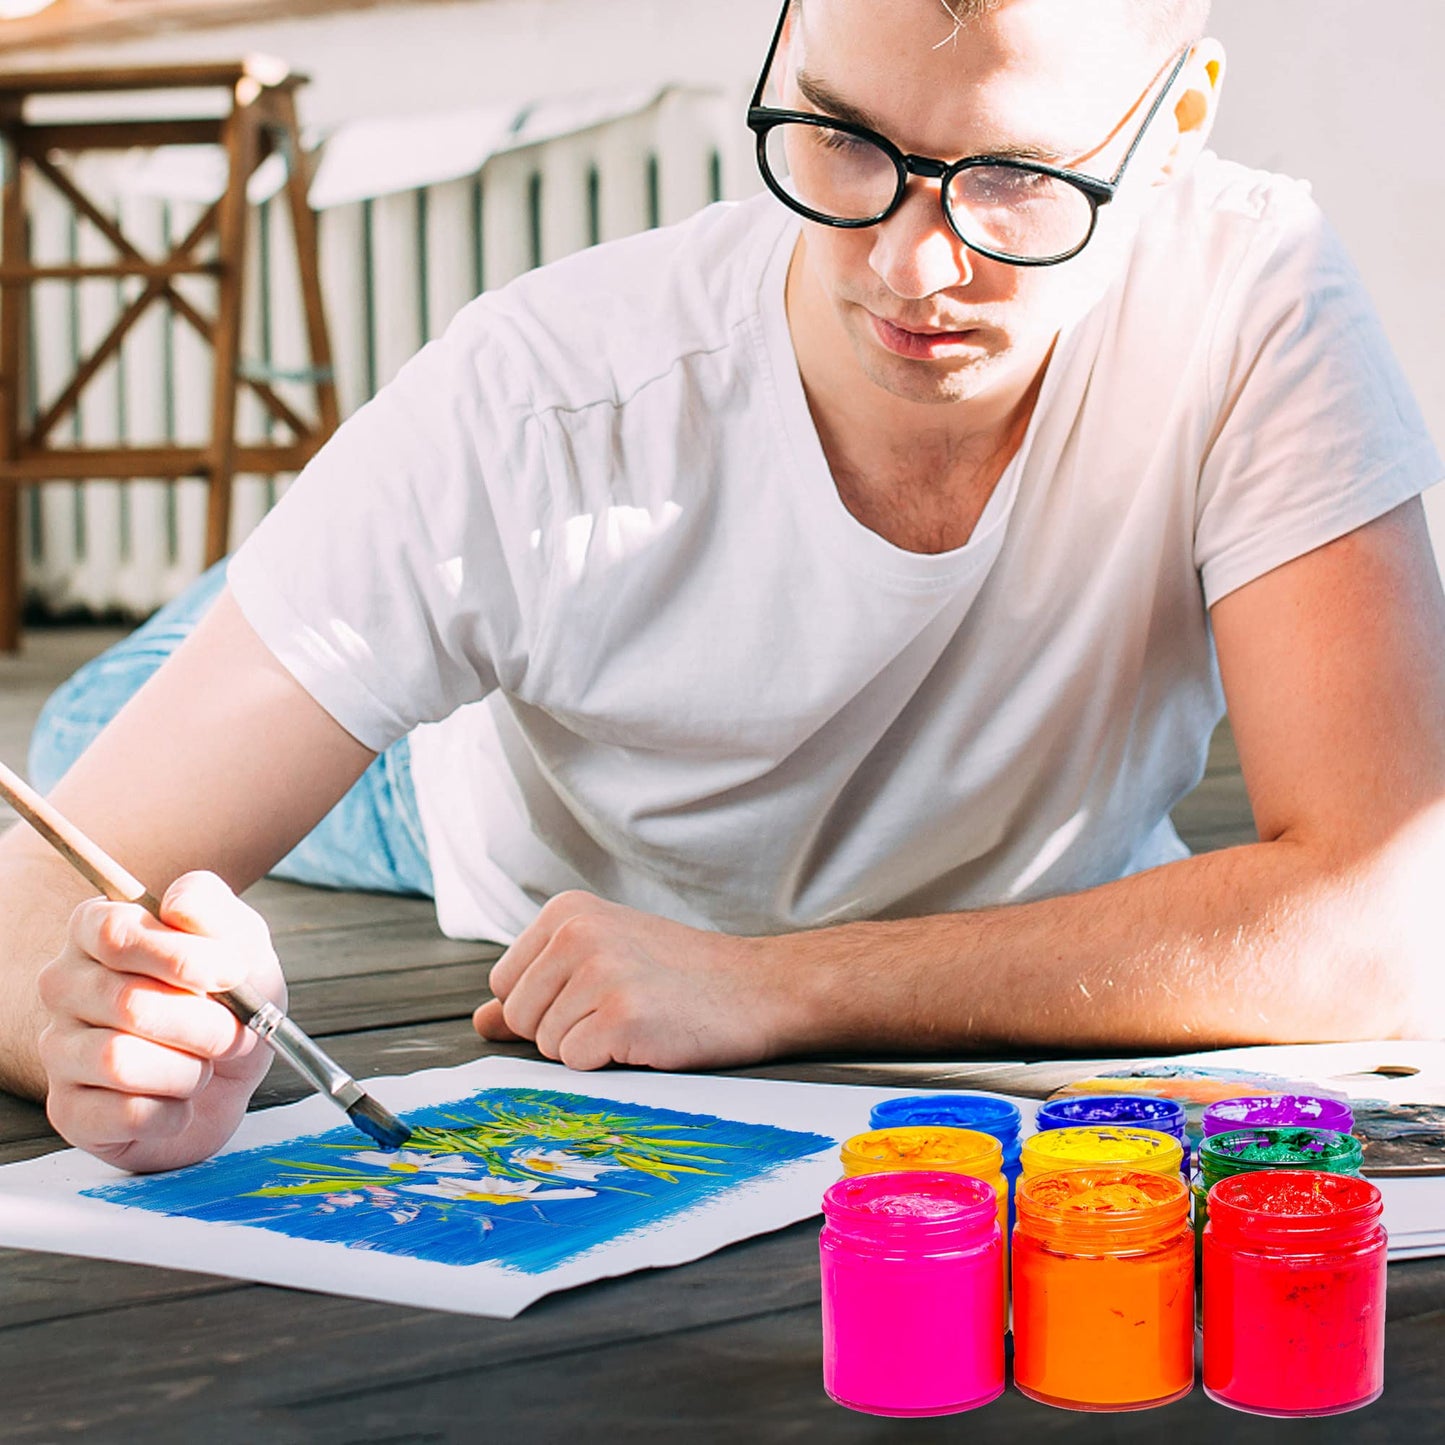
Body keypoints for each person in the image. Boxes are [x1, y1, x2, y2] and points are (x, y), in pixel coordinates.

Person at [2, 0, 1443, 1174]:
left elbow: (1383, 918)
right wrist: (115, 1032)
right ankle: (292, 585)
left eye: (1014, 176)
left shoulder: (1251, 292)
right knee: (87, 733)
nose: (909, 265)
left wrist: (772, 981)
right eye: (840, 137)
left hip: (663, 853)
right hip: (461, 773)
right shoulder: (535, 399)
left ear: (1176, 123)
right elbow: (33, 909)